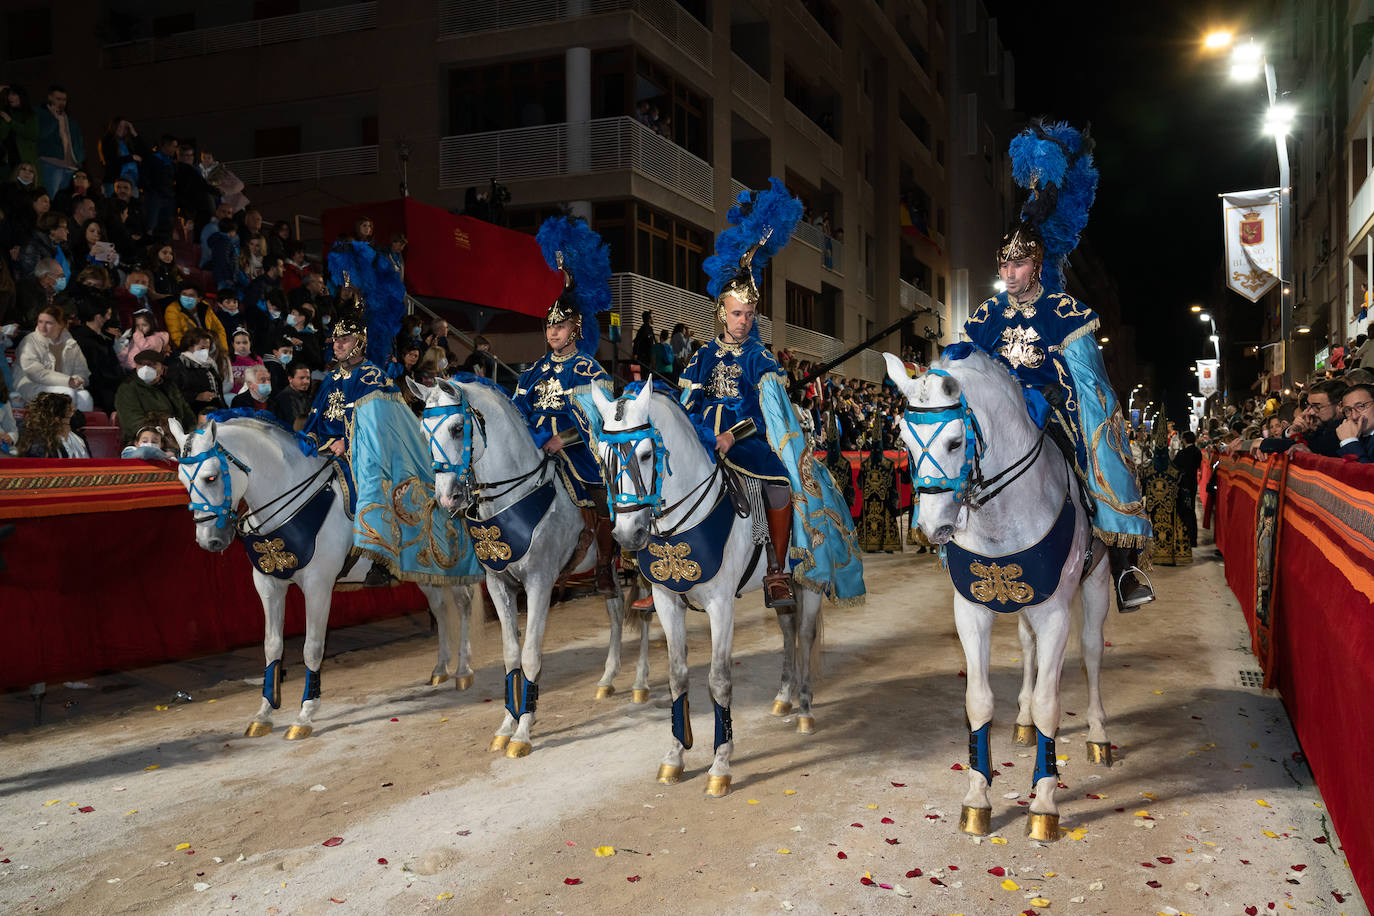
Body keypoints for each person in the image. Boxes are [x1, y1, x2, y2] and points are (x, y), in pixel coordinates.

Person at [960, 123, 1153, 612]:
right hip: (998, 412)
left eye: (1019, 265)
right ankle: (952, 540)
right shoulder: (984, 317)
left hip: (1055, 410)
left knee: (1095, 456)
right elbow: (966, 370)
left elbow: (1089, 382)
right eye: (1004, 266)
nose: (1009, 274)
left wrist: (1076, 412)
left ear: (1038, 265)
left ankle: (1124, 563)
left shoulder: (1066, 313)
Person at [511, 215, 618, 594]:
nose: (553, 332)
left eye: (560, 326)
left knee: (603, 495)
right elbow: (517, 412)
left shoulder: (588, 370)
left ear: (576, 328)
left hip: (576, 451)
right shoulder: (533, 372)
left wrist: (563, 439)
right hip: (535, 450)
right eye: (549, 326)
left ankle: (604, 565)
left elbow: (598, 421)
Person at [14, 304, 92, 411]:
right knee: (67, 394)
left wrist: (77, 380)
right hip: (30, 386)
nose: (42, 326)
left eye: (48, 323)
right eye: (40, 322)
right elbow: (35, 373)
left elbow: (82, 371)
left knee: (86, 398)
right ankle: (58, 422)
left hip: (62, 387)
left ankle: (74, 422)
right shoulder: (29, 341)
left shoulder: (71, 344)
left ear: (60, 325)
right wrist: (67, 381)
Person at [114, 349, 195, 443]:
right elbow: (133, 422)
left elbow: (187, 413)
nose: (146, 369)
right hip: (145, 442)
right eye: (141, 364)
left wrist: (191, 435)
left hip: (178, 439)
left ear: (162, 369)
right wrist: (163, 438)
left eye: (152, 365)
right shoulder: (128, 388)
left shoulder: (170, 386)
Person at [69, 292, 122, 413]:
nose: (109, 317)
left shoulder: (103, 337)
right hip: (100, 392)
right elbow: (97, 375)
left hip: (111, 386)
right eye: (107, 313)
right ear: (98, 317)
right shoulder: (84, 341)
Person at [857, 424, 901, 552]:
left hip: (883, 498)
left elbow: (892, 483)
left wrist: (893, 497)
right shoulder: (866, 464)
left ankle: (887, 545)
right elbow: (860, 482)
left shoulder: (868, 464)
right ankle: (875, 545)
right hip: (873, 498)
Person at [35, 85, 83, 195]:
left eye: (64, 100)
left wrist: (79, 160)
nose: (61, 102)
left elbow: (78, 142)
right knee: (51, 195)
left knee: (67, 198)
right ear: (50, 98)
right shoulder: (40, 113)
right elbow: (40, 134)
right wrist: (53, 119)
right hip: (51, 162)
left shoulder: (70, 120)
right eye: (58, 99)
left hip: (71, 166)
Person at [167, 328, 225, 411]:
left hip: (214, 409)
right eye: (202, 348)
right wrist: (197, 396)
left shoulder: (209, 364)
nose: (205, 351)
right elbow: (172, 392)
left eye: (207, 348)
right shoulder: (178, 364)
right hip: (192, 411)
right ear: (189, 346)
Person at [164, 281, 227, 354]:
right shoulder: (172, 309)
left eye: (191, 295)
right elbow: (176, 336)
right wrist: (194, 352)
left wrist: (224, 351)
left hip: (209, 344)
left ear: (199, 298)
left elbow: (219, 329)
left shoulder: (205, 307)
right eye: (184, 294)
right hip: (189, 349)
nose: (187, 298)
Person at [15, 391, 76, 458]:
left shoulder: (55, 440)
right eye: (70, 412)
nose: (72, 417)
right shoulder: (39, 446)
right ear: (56, 419)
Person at [1172, 430, 1202, 548]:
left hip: (1183, 484)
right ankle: (1193, 539)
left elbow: (1174, 467)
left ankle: (1184, 537)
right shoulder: (1197, 452)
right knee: (1191, 510)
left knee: (1184, 510)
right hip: (1193, 484)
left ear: (1184, 440)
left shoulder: (1182, 453)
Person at [1337, 383, 1374, 462]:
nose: (1354, 416)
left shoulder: (1350, 438)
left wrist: (1350, 442)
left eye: (1361, 406)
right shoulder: (1352, 434)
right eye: (1348, 410)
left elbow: (1365, 470)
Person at [271, 363, 314, 431]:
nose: (306, 381)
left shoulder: (305, 396)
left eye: (308, 378)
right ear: (290, 379)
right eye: (301, 378)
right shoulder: (284, 397)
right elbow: (295, 425)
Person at [631, 309, 654, 376]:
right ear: (649, 319)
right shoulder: (643, 329)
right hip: (644, 357)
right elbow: (637, 341)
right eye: (652, 317)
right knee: (645, 374)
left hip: (649, 357)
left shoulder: (650, 329)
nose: (653, 319)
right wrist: (635, 353)